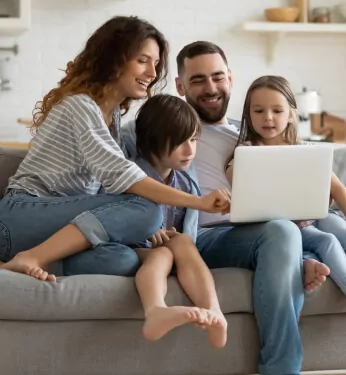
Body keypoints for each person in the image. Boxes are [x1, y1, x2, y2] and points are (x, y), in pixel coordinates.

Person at [122, 41, 330, 375]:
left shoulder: (252, 132)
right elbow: (116, 166)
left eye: (218, 77)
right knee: (282, 234)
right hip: (195, 237)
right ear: (180, 86)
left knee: (284, 230)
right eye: (198, 80)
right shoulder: (162, 128)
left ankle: (281, 363)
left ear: (230, 78)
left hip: (248, 232)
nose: (211, 88)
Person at [0, 18, 230, 284]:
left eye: (155, 64)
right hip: (22, 215)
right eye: (143, 60)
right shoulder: (80, 107)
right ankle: (34, 257)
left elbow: (113, 187)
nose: (152, 73)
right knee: (148, 209)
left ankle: (24, 260)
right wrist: (198, 202)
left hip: (55, 227)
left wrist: (142, 228)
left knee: (123, 259)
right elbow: (125, 178)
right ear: (114, 59)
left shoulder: (113, 121)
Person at [225, 75, 346, 318]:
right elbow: (237, 181)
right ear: (248, 115)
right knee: (326, 241)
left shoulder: (306, 150)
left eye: (277, 110)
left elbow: (337, 188)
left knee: (345, 232)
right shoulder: (247, 152)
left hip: (318, 213)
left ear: (290, 115)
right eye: (259, 111)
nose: (268, 117)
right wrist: (238, 164)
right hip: (286, 225)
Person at [131, 93, 227, 347]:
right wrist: (146, 231)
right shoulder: (132, 175)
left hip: (173, 248)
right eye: (179, 142)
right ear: (152, 142)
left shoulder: (185, 181)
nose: (190, 150)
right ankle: (156, 310)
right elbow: (115, 218)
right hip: (133, 248)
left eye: (193, 139)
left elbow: (188, 229)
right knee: (163, 255)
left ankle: (214, 312)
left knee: (183, 243)